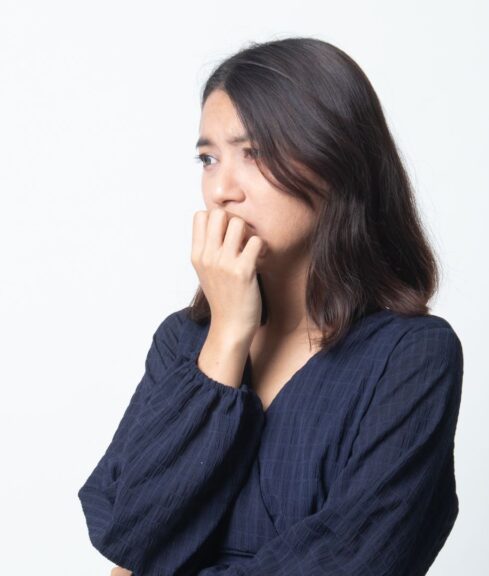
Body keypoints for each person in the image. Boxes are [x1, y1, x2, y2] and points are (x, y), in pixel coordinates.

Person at [77, 36, 464, 576]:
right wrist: (227, 335)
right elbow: (133, 537)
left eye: (253, 153)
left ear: (336, 160)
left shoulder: (411, 356)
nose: (221, 190)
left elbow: (354, 561)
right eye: (209, 159)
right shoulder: (183, 343)